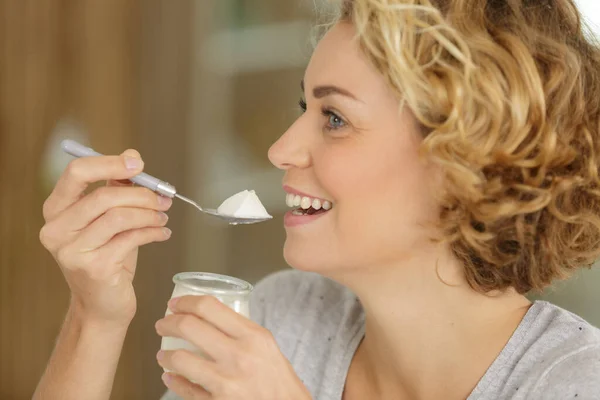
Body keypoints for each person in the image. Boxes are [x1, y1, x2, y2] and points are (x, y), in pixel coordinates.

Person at [34, 0, 600, 399]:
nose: (282, 149)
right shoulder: (285, 320)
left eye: (334, 118)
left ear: (466, 161)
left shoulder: (571, 384)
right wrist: (95, 318)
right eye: (302, 107)